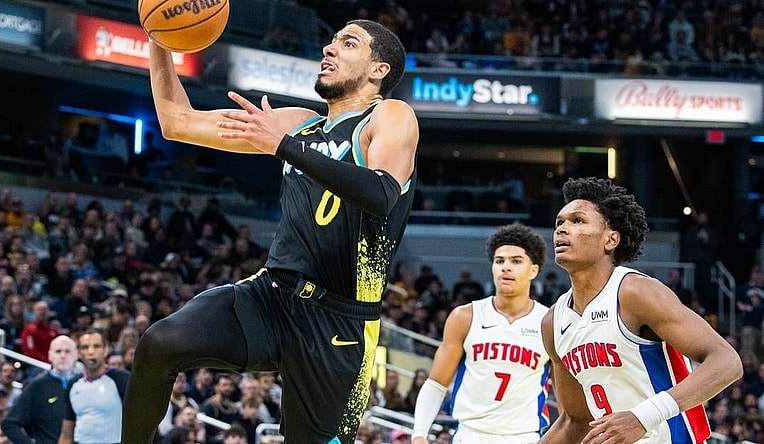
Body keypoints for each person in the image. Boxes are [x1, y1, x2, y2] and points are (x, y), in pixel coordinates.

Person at [122, 18, 417, 444]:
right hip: (272, 295)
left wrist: (282, 146)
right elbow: (177, 121)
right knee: (160, 342)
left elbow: (380, 193)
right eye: (332, 40)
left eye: (348, 43)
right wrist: (158, 37)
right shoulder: (299, 123)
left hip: (340, 321)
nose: (329, 48)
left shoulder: (389, 115)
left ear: (379, 70)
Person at [540, 177, 743, 444]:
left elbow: (727, 362)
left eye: (578, 221)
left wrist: (642, 417)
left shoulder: (635, 292)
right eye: (559, 222)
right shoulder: (553, 322)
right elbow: (575, 421)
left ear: (611, 239)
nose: (562, 229)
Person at [412, 223, 551, 443]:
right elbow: (436, 383)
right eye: (499, 261)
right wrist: (419, 433)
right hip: (470, 435)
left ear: (533, 270)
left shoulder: (549, 323)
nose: (506, 267)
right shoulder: (465, 316)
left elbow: (567, 400)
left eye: (516, 261)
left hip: (525, 437)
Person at [1, 335, 79, 444]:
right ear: (50, 356)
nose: (63, 356)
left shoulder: (83, 384)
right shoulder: (37, 386)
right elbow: (9, 423)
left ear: (76, 355)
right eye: (58, 351)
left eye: (67, 351)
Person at [59, 328, 129, 444]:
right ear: (79, 353)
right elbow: (66, 435)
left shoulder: (122, 379)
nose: (91, 352)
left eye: (96, 346)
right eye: (85, 347)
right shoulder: (73, 385)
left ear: (105, 350)